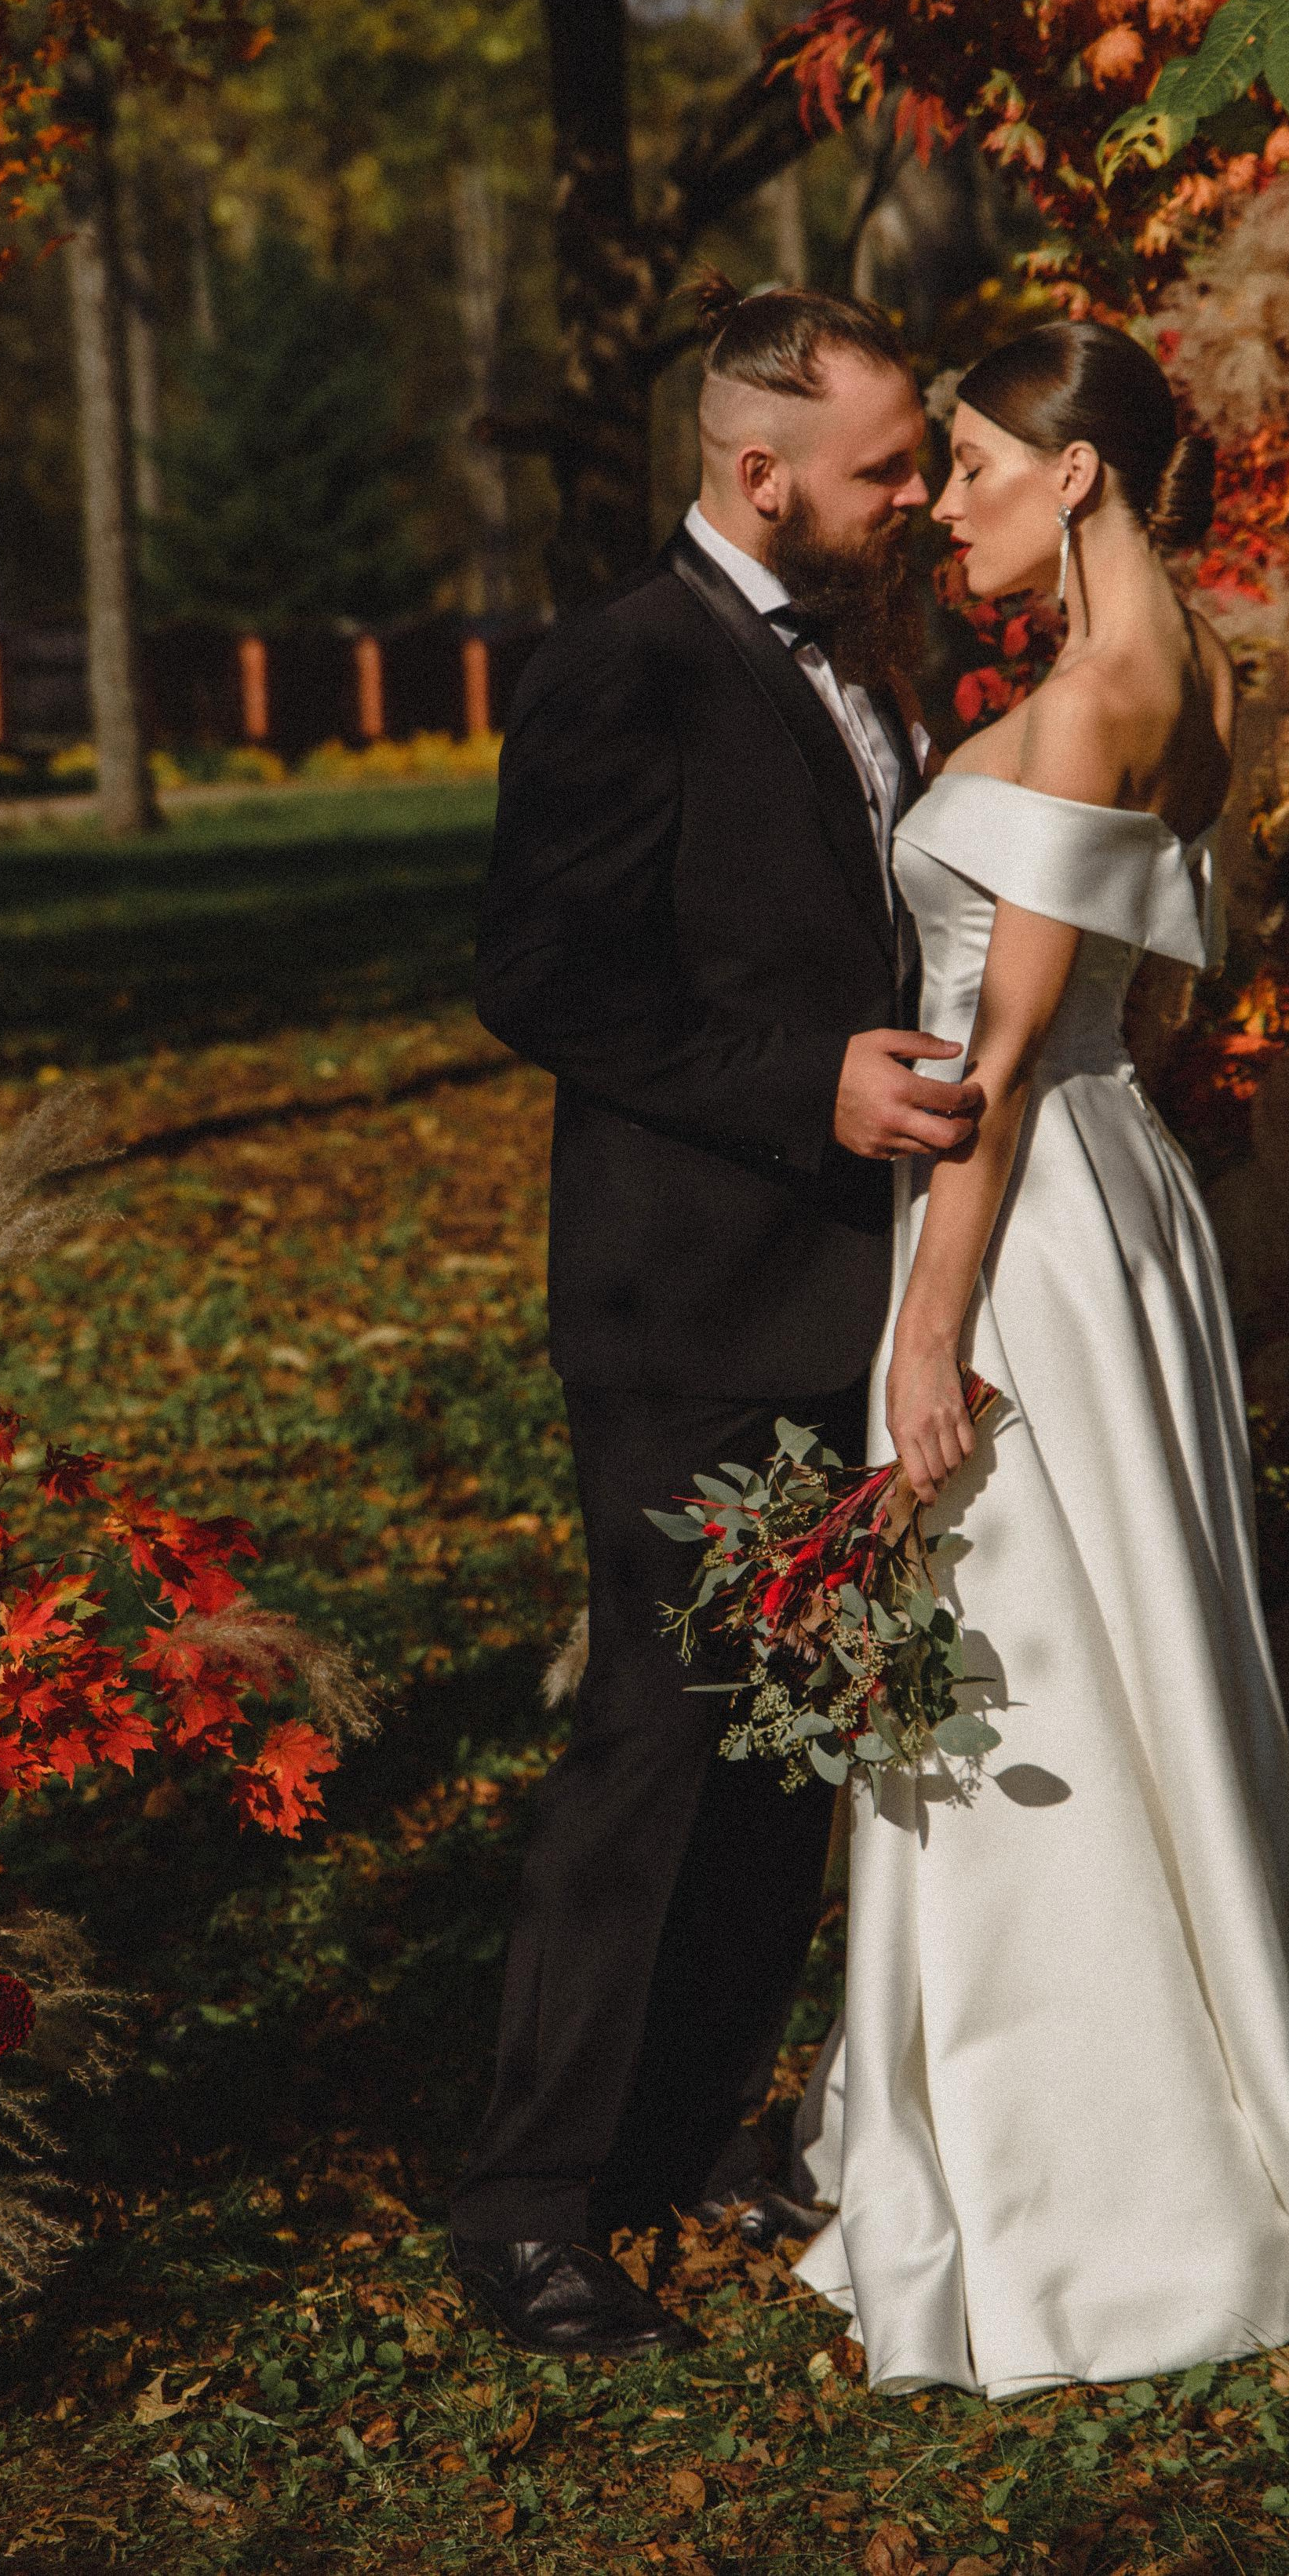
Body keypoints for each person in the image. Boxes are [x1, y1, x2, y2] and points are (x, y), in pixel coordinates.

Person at [792, 319, 1289, 2397]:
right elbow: (1149, 1001)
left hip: (1026, 1216)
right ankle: (1131, 2101)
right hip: (1128, 1201)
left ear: (1077, 472)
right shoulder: (1201, 673)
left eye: (972, 464)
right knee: (1125, 1640)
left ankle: (1104, 2187)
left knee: (1032, 1645)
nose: (944, 502)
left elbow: (1009, 1056)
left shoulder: (1090, 699)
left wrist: (930, 1332)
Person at [451, 278, 985, 2359]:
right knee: (655, 1744)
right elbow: (542, 976)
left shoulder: (861, 659)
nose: (917, 497)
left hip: (842, 1292)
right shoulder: (624, 664)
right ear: (763, 476)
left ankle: (687, 2134)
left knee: (789, 1750)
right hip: (686, 1304)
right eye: (885, 470)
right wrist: (805, 1087)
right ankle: (527, 2204)